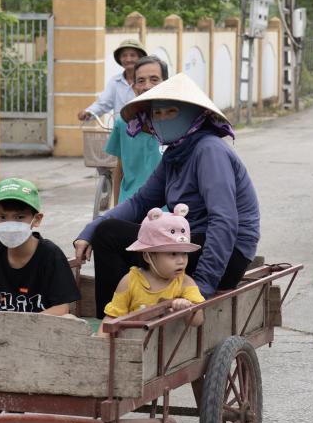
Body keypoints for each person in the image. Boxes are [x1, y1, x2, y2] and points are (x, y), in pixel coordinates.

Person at [73, 73, 259, 317]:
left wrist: (201, 287)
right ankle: (120, 314)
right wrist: (91, 228)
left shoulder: (209, 150)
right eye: (157, 114)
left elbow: (224, 221)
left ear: (193, 115)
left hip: (228, 254)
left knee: (110, 235)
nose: (161, 120)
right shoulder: (175, 154)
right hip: (186, 243)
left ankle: (112, 323)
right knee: (106, 231)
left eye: (170, 112)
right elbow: (140, 202)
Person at [0, 177, 80, 315]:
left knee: (69, 319)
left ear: (36, 219)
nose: (10, 224)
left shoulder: (50, 254)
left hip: (40, 330)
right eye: (2, 217)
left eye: (19, 217)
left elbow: (62, 308)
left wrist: (22, 326)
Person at [100, 205, 205, 333]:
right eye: (172, 254)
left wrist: (187, 309)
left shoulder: (184, 282)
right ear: (148, 256)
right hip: (132, 344)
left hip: (168, 345)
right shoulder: (130, 281)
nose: (181, 260)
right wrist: (101, 344)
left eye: (184, 254)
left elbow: (198, 320)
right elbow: (112, 316)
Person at [107, 55, 166, 204]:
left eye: (154, 79)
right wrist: (116, 212)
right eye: (141, 81)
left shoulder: (176, 124)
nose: (147, 86)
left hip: (167, 212)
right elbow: (119, 170)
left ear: (166, 83)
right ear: (134, 88)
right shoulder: (123, 123)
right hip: (130, 207)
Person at [77, 39, 146, 121]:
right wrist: (88, 112)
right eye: (124, 56)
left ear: (140, 58)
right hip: (120, 130)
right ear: (120, 59)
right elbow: (103, 104)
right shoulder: (115, 81)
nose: (128, 59)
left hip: (144, 129)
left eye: (132, 55)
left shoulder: (147, 81)